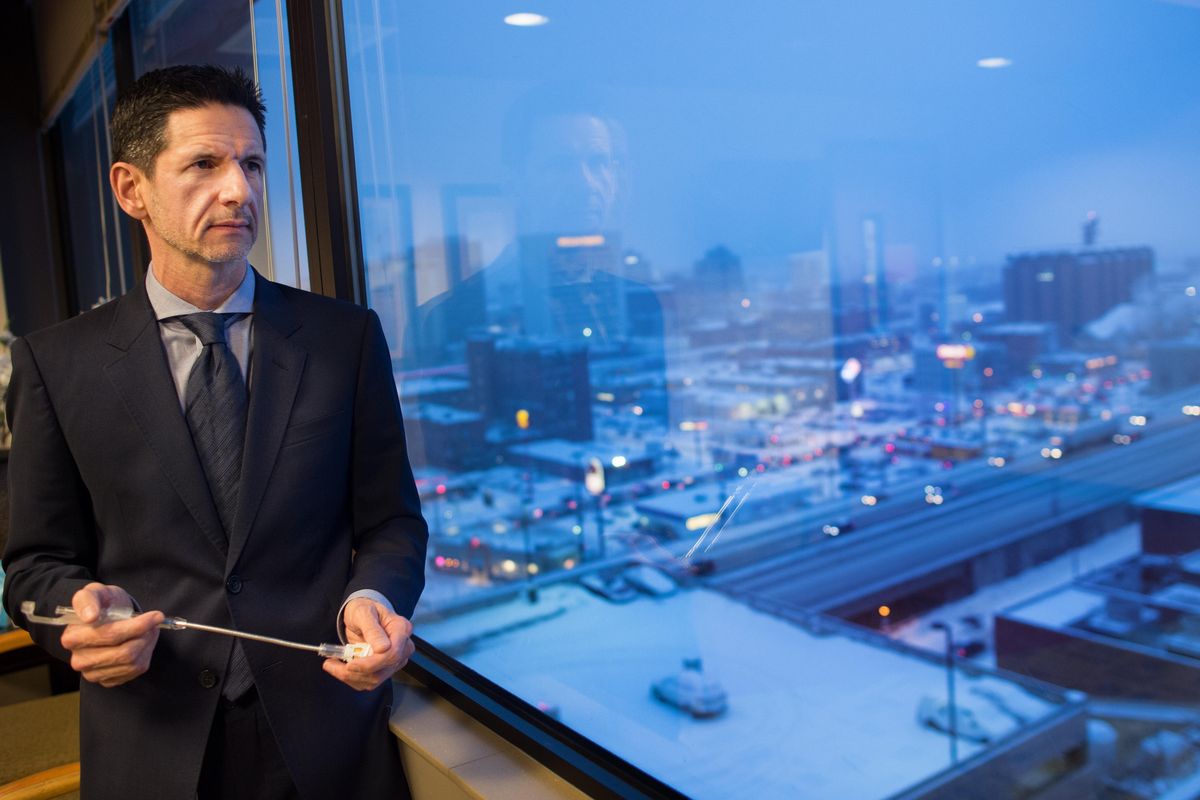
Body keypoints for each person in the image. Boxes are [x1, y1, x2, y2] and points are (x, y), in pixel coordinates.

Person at [1, 65, 428, 800]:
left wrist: (375, 601)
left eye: (253, 163)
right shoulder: (55, 362)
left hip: (328, 737)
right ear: (131, 188)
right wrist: (79, 617)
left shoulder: (344, 338)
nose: (240, 190)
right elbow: (35, 564)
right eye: (204, 164)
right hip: (152, 740)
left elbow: (391, 523)